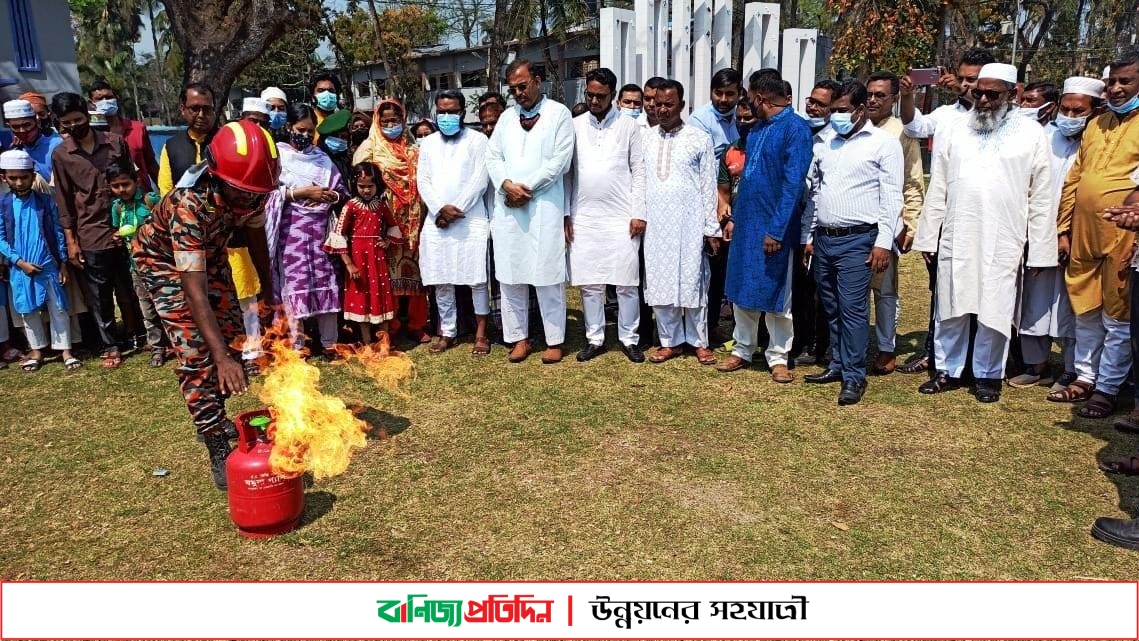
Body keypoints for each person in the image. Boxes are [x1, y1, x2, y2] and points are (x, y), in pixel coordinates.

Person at [132, 119, 278, 489]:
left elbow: (257, 238)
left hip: (210, 256)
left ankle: (216, 408)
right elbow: (194, 292)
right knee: (198, 352)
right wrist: (223, 360)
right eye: (244, 193)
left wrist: (269, 294)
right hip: (165, 264)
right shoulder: (189, 206)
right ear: (217, 177)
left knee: (229, 333)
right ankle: (215, 441)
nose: (251, 200)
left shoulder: (249, 188)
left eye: (256, 194)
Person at [913, 62, 1054, 404]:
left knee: (995, 307)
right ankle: (947, 370)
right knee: (950, 303)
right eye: (979, 93)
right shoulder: (958, 129)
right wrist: (929, 235)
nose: (985, 100)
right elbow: (940, 186)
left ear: (1013, 94)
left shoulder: (1031, 133)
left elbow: (1042, 196)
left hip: (1003, 237)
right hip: (958, 233)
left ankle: (988, 375)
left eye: (993, 94)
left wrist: (1039, 250)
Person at [799, 80, 903, 405]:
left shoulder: (883, 144)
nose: (836, 116)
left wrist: (884, 242)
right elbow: (816, 193)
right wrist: (809, 234)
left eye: (842, 111)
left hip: (859, 240)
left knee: (853, 310)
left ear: (860, 110)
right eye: (833, 111)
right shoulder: (824, 143)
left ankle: (854, 376)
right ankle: (837, 364)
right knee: (830, 308)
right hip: (825, 239)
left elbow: (891, 197)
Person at [1052, 49, 1139, 419]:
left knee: (1117, 317)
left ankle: (1107, 388)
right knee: (1085, 308)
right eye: (1112, 82)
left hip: (1125, 235)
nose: (1116, 89)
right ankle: (1085, 377)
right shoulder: (1096, 125)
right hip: (1084, 233)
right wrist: (1063, 229)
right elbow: (1076, 178)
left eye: (1126, 82)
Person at [900, 47, 997, 374]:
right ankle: (937, 353)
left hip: (987, 221)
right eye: (965, 79)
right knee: (942, 288)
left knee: (984, 291)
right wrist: (907, 95)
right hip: (949, 218)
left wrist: (967, 95)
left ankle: (979, 361)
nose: (969, 86)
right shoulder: (945, 114)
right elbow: (914, 127)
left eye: (975, 80)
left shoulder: (1004, 119)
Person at [717, 69, 812, 380]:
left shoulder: (796, 130)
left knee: (776, 295)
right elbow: (748, 179)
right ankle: (742, 349)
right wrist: (736, 220)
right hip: (747, 225)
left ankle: (778, 356)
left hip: (775, 229)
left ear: (759, 98)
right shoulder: (756, 130)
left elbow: (792, 184)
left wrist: (777, 230)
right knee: (743, 287)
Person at [1012, 77, 1104, 392]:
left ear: (1095, 110)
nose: (1069, 116)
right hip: (1038, 232)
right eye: (1065, 109)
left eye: (1078, 111)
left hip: (1082, 236)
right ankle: (1034, 363)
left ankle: (1072, 368)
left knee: (1073, 302)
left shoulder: (1099, 141)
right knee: (1034, 300)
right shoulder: (1042, 138)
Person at [485, 59, 574, 364]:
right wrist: (507, 184)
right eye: (513, 89)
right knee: (510, 276)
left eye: (523, 86)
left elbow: (560, 161)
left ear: (538, 80)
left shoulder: (559, 114)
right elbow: (493, 156)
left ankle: (554, 340)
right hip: (509, 208)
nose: (518, 93)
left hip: (544, 206)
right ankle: (518, 338)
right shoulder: (507, 118)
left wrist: (527, 188)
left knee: (548, 275)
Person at [50, 91, 142, 369]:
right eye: (67, 123)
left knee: (130, 286)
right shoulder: (62, 155)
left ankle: (139, 334)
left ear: (87, 115)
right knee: (100, 294)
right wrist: (71, 241)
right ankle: (110, 344)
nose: (74, 126)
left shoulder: (114, 144)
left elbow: (134, 181)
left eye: (78, 119)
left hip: (125, 226)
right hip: (90, 232)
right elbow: (64, 201)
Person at [568, 68, 646, 364]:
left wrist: (638, 212)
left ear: (613, 96)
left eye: (601, 96)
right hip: (584, 215)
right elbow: (568, 175)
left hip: (621, 216)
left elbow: (639, 171)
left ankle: (629, 338)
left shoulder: (629, 127)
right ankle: (595, 338)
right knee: (590, 283)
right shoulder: (574, 126)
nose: (594, 100)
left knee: (626, 282)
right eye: (590, 95)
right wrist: (567, 214)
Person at [641, 79, 719, 365]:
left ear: (682, 106)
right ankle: (670, 341)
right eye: (658, 104)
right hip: (656, 224)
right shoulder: (645, 139)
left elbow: (708, 186)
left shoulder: (699, 138)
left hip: (690, 222)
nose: (662, 109)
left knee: (694, 280)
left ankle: (699, 342)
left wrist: (711, 227)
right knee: (660, 282)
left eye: (668, 104)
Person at [264, 104, 346, 356]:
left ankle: (329, 342)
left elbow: (340, 190)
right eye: (300, 129)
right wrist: (300, 193)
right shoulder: (278, 156)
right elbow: (268, 193)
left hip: (319, 234)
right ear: (289, 127)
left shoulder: (322, 158)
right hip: (291, 236)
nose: (305, 135)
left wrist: (327, 195)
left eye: (310, 131)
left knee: (326, 283)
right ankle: (298, 344)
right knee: (294, 287)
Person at [417, 89, 492, 356]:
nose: (446, 116)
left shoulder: (478, 140)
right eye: (442, 112)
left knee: (476, 278)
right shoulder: (428, 143)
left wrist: (454, 210)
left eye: (452, 112)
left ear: (462, 113)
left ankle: (481, 333)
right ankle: (447, 331)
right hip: (437, 221)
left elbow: (480, 180)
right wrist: (439, 209)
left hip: (470, 220)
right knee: (442, 278)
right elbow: (423, 181)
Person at [864, 71, 926, 375]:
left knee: (884, 289)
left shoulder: (903, 131)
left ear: (894, 98)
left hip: (887, 222)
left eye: (881, 95)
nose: (873, 100)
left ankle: (886, 349)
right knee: (853, 289)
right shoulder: (854, 126)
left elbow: (913, 181)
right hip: (854, 219)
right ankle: (855, 345)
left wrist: (909, 224)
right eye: (870, 94)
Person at [353, 99, 431, 343]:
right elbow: (360, 181)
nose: (390, 125)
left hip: (414, 220)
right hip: (384, 219)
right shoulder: (369, 148)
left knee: (414, 273)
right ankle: (392, 325)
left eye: (395, 120)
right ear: (377, 121)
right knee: (386, 275)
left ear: (403, 120)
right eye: (385, 121)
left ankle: (418, 324)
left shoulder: (413, 148)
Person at [0, 149, 78, 372]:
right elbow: (1, 238)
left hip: (49, 264)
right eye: (13, 177)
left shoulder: (45, 201)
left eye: (24, 177)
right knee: (27, 310)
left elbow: (57, 232)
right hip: (20, 268)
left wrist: (62, 262)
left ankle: (65, 350)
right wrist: (18, 261)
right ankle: (36, 350)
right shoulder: (3, 205)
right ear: (4, 178)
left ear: (33, 177)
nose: (19, 182)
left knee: (59, 307)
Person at [689, 68, 742, 345]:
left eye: (729, 94)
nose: (723, 99)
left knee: (731, 269)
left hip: (738, 203)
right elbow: (703, 169)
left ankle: (734, 326)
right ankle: (706, 328)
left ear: (739, 94)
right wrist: (718, 206)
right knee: (712, 269)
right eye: (718, 93)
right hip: (712, 205)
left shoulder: (742, 116)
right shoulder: (700, 120)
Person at [792, 79, 842, 366]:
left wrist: (810, 236)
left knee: (820, 292)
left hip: (817, 226)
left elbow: (821, 192)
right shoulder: (799, 131)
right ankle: (800, 340)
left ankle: (819, 345)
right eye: (811, 101)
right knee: (800, 290)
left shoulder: (834, 141)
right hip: (794, 223)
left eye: (821, 104)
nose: (812, 107)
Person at [325, 162, 401, 346]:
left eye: (370, 186)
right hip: (358, 259)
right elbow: (338, 234)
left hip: (377, 259)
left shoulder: (381, 206)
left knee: (380, 295)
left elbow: (393, 226)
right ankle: (367, 343)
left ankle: (384, 344)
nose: (366, 190)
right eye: (361, 186)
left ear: (377, 185)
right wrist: (349, 263)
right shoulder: (350, 206)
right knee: (361, 297)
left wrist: (387, 241)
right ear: (354, 185)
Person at [107, 163, 170, 366]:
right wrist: (116, 236)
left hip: (160, 265)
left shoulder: (150, 200)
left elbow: (167, 223)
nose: (121, 189)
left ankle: (178, 345)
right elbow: (116, 231)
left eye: (126, 184)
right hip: (136, 268)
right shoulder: (117, 207)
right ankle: (157, 348)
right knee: (148, 311)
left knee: (169, 307)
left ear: (136, 181)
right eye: (115, 186)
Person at [88, 80, 159, 191]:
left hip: (142, 197)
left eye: (109, 97)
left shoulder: (137, 128)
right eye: (99, 99)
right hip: (112, 200)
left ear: (116, 98)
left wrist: (163, 192)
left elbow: (151, 163)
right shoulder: (91, 135)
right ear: (92, 103)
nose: (105, 101)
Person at [158, 83, 218, 195]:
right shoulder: (171, 147)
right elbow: (166, 193)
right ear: (182, 109)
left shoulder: (226, 142)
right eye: (195, 109)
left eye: (207, 109)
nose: (201, 115)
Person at [3, 99, 61, 189]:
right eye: (16, 127)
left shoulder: (57, 145)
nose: (22, 131)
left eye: (27, 125)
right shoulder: (15, 148)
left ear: (37, 122)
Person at [315, 109, 354, 177]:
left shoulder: (343, 156)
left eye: (345, 137)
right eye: (341, 137)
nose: (343, 141)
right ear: (327, 137)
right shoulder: (318, 159)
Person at [309, 71, 343, 138]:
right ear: (312, 96)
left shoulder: (342, 122)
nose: (327, 94)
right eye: (321, 91)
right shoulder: (308, 123)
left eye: (331, 91)